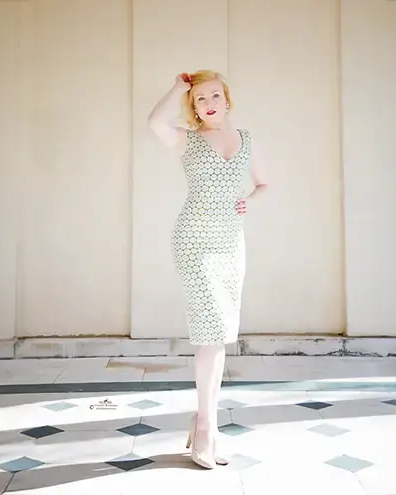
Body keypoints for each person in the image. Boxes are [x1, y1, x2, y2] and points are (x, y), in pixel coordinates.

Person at [147, 70, 268, 469]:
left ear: (227, 100)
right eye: (200, 99)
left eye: (215, 95)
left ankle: (205, 422)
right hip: (194, 243)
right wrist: (178, 87)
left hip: (231, 245)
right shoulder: (188, 140)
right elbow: (154, 123)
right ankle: (205, 430)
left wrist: (251, 200)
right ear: (194, 108)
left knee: (218, 337)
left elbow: (263, 184)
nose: (209, 102)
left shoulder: (247, 140)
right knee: (211, 332)